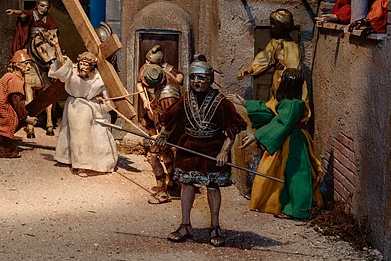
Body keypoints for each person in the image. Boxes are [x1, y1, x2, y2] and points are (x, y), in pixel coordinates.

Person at [156, 55, 247, 247]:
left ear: (210, 79)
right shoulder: (185, 99)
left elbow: (231, 130)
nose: (197, 81)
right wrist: (164, 134)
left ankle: (215, 227)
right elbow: (172, 119)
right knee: (187, 185)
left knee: (212, 186)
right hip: (189, 147)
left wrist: (224, 152)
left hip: (213, 149)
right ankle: (185, 225)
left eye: (202, 78)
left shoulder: (222, 102)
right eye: (193, 77)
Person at [238, 68, 323, 219]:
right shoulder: (286, 103)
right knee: (282, 173)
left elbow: (282, 123)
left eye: (281, 78)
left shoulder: (293, 105)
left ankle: (299, 209)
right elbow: (269, 110)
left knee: (297, 174)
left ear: (287, 83)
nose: (277, 80)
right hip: (286, 139)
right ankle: (284, 204)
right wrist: (245, 103)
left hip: (294, 142)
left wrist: (257, 136)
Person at [48, 34, 118, 176]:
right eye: (81, 64)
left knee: (101, 134)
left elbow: (105, 93)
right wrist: (57, 46)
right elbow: (61, 65)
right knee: (80, 136)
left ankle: (103, 163)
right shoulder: (72, 72)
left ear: (92, 66)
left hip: (95, 107)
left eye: (86, 65)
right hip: (77, 107)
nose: (83, 66)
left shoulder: (98, 76)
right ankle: (81, 165)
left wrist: (106, 103)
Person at [237, 9, 310, 119]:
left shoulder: (291, 46)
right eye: (271, 23)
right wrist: (251, 68)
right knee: (275, 102)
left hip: (286, 81)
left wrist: (285, 81)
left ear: (284, 27)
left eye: (275, 24)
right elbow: (265, 57)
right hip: (277, 78)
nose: (272, 27)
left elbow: (292, 70)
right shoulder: (275, 42)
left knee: (285, 104)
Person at [138, 64, 181, 203]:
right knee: (166, 154)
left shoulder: (166, 96)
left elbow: (172, 119)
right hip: (168, 128)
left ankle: (162, 192)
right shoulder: (167, 75)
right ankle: (174, 182)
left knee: (154, 156)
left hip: (170, 131)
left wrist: (162, 135)